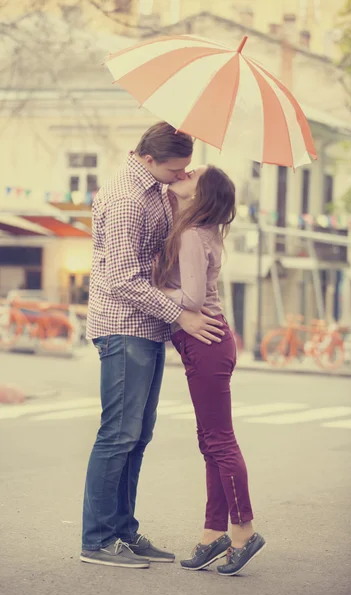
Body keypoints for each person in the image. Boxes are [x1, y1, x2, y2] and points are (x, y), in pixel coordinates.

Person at [80, 123, 225, 569]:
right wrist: (181, 314)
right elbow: (124, 278)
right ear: (148, 159)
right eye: (176, 168)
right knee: (118, 433)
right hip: (125, 325)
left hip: (147, 325)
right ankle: (98, 540)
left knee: (138, 435)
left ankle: (123, 530)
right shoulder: (127, 199)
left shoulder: (154, 190)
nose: (182, 175)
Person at [153, 165, 266, 576]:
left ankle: (244, 530)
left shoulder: (190, 235)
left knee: (218, 441)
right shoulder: (200, 230)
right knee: (210, 442)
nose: (185, 171)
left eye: (194, 173)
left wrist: (154, 285)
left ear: (202, 194)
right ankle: (212, 533)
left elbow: (194, 298)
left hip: (206, 342)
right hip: (211, 343)